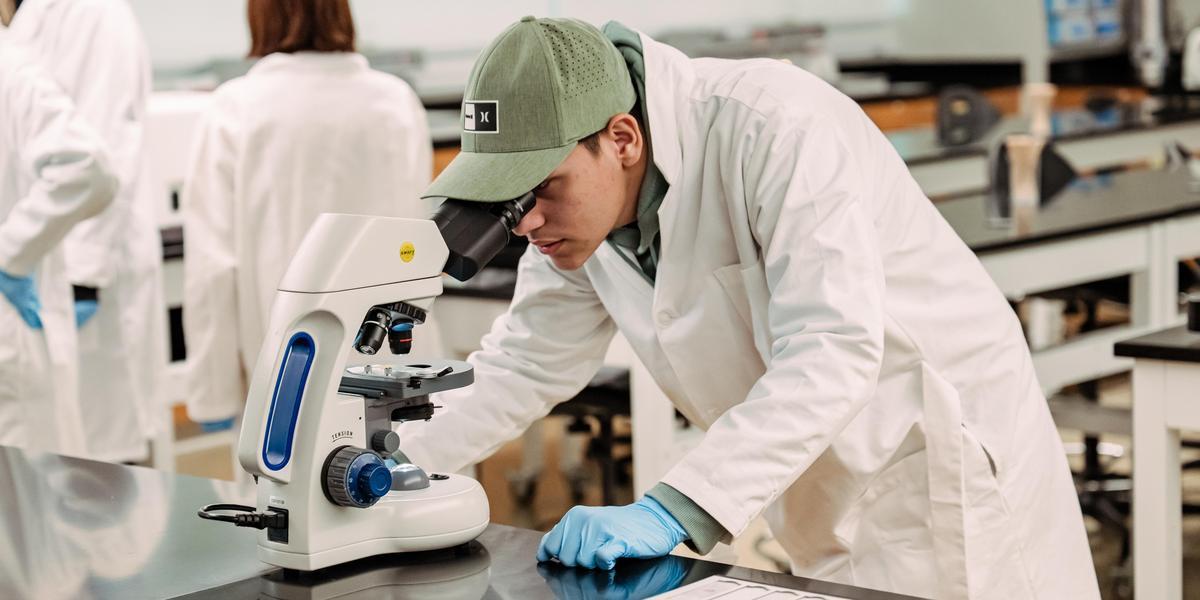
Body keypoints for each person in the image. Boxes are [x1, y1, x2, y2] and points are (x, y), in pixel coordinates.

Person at [399, 16, 1100, 600]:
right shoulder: (582, 219)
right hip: (820, 482)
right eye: (512, 199)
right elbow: (525, 361)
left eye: (543, 187)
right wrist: (384, 465)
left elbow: (831, 344)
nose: (526, 222)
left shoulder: (775, 126)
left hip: (933, 458)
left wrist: (671, 508)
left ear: (621, 139)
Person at [182, 0, 434, 431]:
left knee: (290, 488)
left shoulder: (236, 108)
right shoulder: (396, 101)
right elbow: (423, 230)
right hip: (396, 357)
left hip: (287, 367)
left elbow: (213, 268)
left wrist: (212, 394)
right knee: (404, 477)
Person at [6, 0, 167, 464]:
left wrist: (85, 276)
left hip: (94, 265)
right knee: (66, 457)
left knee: (108, 459)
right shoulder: (28, 21)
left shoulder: (94, 12)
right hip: (47, 263)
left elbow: (108, 143)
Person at [0, 29, 117, 457]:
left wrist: (10, 256)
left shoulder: (12, 72)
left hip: (11, 342)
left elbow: (87, 167)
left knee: (25, 505)